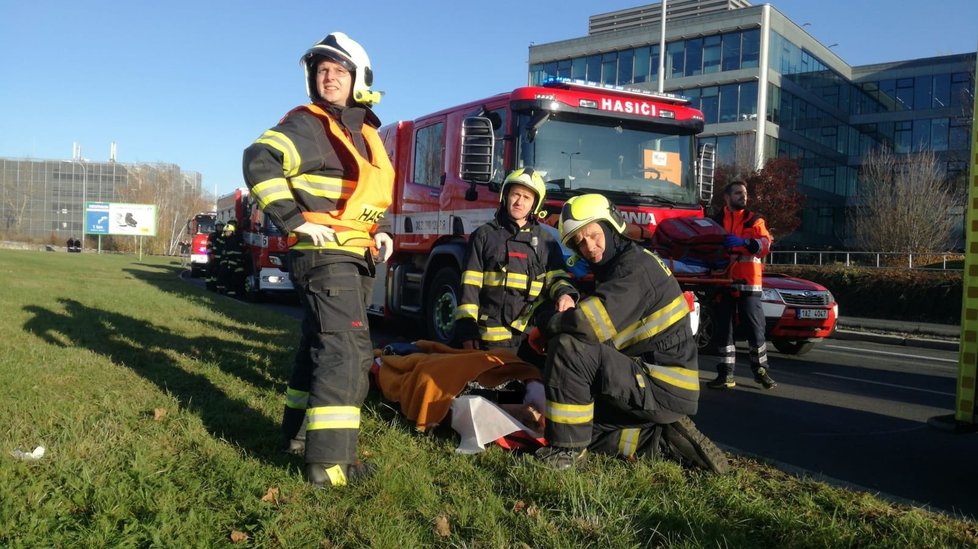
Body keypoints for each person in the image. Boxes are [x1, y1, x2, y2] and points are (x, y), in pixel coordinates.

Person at [242, 32, 394, 488]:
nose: (328, 77)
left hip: (352, 254)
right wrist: (292, 219)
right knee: (346, 352)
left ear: (358, 79)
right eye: (321, 71)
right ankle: (328, 466)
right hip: (325, 256)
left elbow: (362, 200)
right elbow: (259, 159)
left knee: (319, 346)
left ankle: (294, 435)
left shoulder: (364, 133)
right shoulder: (310, 125)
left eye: (338, 71)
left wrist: (380, 231)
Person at [531, 194, 729, 473]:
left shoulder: (634, 269)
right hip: (651, 377)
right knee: (576, 423)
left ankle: (567, 452)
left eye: (593, 234)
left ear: (611, 226)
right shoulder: (621, 264)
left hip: (661, 384)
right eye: (579, 241)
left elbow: (588, 327)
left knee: (568, 346)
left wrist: (545, 324)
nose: (589, 246)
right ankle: (658, 440)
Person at [455, 168, 578, 360]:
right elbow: (469, 286)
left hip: (532, 339)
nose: (519, 202)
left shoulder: (546, 241)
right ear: (505, 196)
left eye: (527, 197)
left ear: (535, 205)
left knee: (533, 387)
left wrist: (566, 295)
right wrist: (467, 329)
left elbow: (557, 278)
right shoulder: (484, 236)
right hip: (489, 339)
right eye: (515, 194)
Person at [708, 180, 777, 390]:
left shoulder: (754, 220)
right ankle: (726, 374)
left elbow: (765, 245)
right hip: (722, 281)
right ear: (727, 198)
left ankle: (761, 371)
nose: (743, 196)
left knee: (756, 330)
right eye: (738, 193)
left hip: (748, 283)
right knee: (724, 331)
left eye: (745, 193)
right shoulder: (715, 220)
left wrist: (745, 242)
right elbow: (705, 245)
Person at [217, 221, 246, 295]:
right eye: (226, 232)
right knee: (223, 274)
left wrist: (230, 265)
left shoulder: (234, 240)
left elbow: (235, 253)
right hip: (227, 262)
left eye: (228, 232)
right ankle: (223, 290)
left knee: (232, 277)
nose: (227, 233)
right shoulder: (225, 240)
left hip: (235, 263)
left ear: (232, 232)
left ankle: (231, 293)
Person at [205, 221, 225, 291]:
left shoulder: (224, 235)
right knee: (210, 271)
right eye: (218, 226)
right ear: (216, 227)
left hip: (220, 258)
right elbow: (208, 246)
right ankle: (209, 286)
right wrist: (209, 255)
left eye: (221, 226)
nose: (220, 227)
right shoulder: (212, 235)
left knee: (217, 273)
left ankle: (215, 286)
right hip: (212, 257)